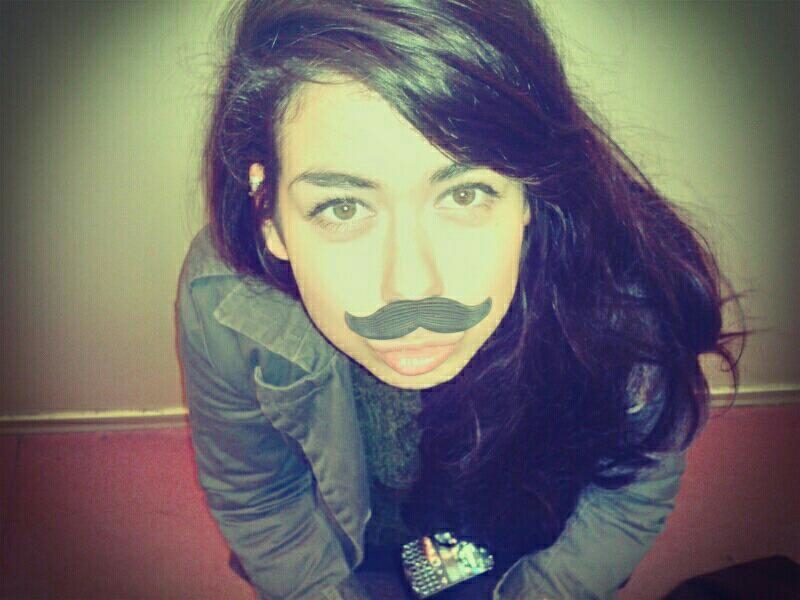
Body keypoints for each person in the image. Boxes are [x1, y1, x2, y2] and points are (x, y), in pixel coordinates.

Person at [175, 1, 747, 598]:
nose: (412, 286)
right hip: (351, 549)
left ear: (532, 188)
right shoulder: (225, 305)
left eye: (466, 193)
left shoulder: (618, 301)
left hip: (520, 543)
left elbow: (627, 496)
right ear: (267, 211)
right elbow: (259, 497)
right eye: (343, 207)